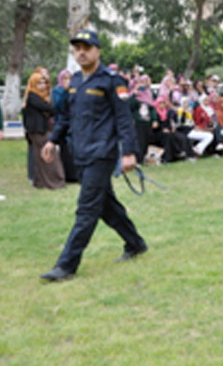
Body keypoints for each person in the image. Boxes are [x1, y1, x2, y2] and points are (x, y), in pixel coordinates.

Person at [40, 29, 147, 282]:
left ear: (98, 50)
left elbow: (124, 119)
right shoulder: (75, 81)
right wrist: (52, 140)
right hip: (81, 153)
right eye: (77, 48)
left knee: (86, 209)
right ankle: (135, 243)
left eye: (86, 47)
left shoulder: (112, 80)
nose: (81, 52)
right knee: (106, 207)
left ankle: (66, 266)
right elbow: (66, 116)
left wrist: (130, 152)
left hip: (102, 153)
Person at [22, 71, 65, 189]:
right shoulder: (32, 96)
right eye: (39, 83)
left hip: (40, 129)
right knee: (48, 154)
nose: (42, 86)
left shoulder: (39, 96)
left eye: (43, 83)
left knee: (40, 155)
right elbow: (49, 108)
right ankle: (54, 182)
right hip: (37, 130)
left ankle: (40, 182)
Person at [52, 69, 77, 182]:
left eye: (69, 78)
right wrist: (65, 91)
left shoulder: (75, 91)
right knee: (64, 150)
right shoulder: (57, 91)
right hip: (61, 124)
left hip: (74, 124)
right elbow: (58, 106)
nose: (67, 81)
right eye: (65, 78)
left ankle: (75, 175)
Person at [152, 96, 193, 162]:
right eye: (160, 103)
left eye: (163, 103)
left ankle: (186, 154)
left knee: (181, 136)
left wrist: (171, 128)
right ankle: (174, 155)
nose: (162, 105)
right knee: (168, 136)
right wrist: (163, 129)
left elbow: (169, 123)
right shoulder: (155, 113)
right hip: (158, 132)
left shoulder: (166, 112)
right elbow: (155, 125)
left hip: (168, 130)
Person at [130, 75, 158, 163]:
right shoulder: (132, 95)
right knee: (139, 141)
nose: (141, 85)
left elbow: (152, 108)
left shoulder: (148, 94)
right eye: (138, 83)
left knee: (148, 139)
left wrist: (154, 119)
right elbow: (130, 106)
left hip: (147, 121)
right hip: (138, 122)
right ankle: (139, 159)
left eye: (142, 83)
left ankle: (147, 158)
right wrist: (134, 94)